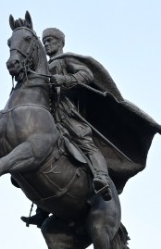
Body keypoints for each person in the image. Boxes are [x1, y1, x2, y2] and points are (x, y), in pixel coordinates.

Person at [41, 28, 116, 202]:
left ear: (60, 42)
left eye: (50, 40)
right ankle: (41, 206)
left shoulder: (65, 60)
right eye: (44, 41)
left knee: (87, 145)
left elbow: (86, 75)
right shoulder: (42, 67)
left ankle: (102, 177)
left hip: (68, 113)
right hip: (49, 115)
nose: (46, 43)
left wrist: (64, 80)